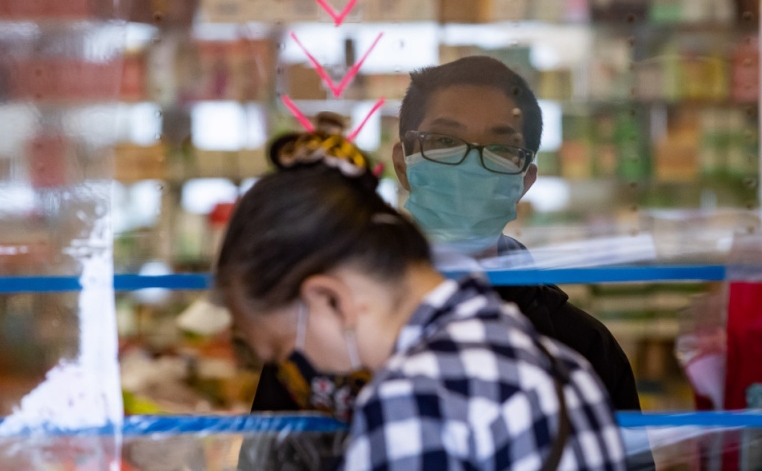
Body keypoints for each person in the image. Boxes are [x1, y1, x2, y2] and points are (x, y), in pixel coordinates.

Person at [252, 56, 642, 415]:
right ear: (403, 165)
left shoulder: (581, 345)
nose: (471, 164)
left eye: (502, 148)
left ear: (524, 181)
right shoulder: (323, 332)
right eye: (443, 142)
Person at [218, 130, 626, 470]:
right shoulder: (553, 358)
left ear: (329, 299)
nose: (295, 375)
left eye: (283, 348)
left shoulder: (412, 402)